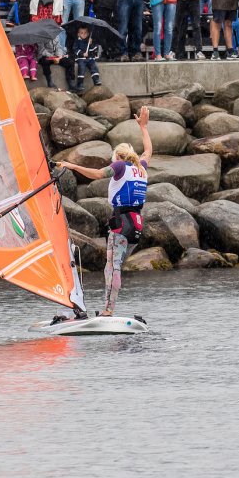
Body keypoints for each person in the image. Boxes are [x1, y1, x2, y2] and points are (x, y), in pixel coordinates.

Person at [55, 107, 152, 319]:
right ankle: (108, 308)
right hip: (136, 224)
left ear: (118, 156)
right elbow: (147, 152)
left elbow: (99, 173)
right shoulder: (141, 167)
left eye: (113, 157)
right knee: (115, 267)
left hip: (121, 223)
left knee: (112, 268)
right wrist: (143, 128)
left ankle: (108, 311)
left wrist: (70, 165)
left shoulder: (120, 166)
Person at [69, 24, 102, 92]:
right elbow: (75, 49)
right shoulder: (77, 41)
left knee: (93, 65)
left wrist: (91, 44)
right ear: (78, 34)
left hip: (89, 58)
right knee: (81, 67)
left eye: (85, 33)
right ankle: (80, 84)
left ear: (88, 34)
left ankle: (96, 80)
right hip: (81, 58)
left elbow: (93, 50)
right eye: (82, 33)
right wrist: (82, 53)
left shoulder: (89, 41)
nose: (83, 34)